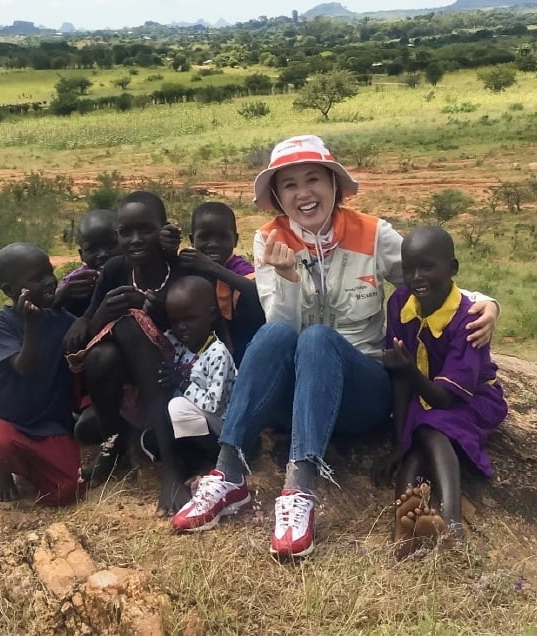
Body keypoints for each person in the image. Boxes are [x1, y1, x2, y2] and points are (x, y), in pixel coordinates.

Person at [171, 135, 499, 560]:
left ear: (334, 184)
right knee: (273, 335)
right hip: (296, 397)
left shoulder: (372, 233)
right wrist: (287, 278)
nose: (303, 193)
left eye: (313, 179)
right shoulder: (269, 241)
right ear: (276, 196)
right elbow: (280, 327)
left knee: (320, 337)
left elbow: (424, 278)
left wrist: (484, 301)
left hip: (360, 391)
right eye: (289, 185)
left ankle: (298, 491)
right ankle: (229, 474)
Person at [382, 226, 507, 560]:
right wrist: (397, 442)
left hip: (472, 399)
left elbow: (448, 399)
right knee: (413, 440)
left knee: (430, 426)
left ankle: (451, 522)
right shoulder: (398, 304)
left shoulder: (469, 319)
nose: (417, 277)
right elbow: (398, 375)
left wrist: (409, 372)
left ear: (452, 269)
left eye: (427, 267)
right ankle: (403, 524)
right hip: (424, 396)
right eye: (409, 269)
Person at [66, 191, 193, 514]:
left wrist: (155, 312)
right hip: (129, 379)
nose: (136, 240)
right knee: (104, 352)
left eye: (146, 230)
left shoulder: (179, 269)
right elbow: (89, 331)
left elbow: (196, 331)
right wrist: (103, 312)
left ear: (165, 230)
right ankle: (115, 445)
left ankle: (172, 468)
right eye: (125, 232)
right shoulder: (115, 271)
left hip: (175, 375)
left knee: (134, 324)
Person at [0, 242, 82, 506]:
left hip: (48, 422)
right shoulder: (1, 323)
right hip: (4, 418)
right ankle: (2, 473)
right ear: (11, 290)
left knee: (67, 488)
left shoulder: (63, 321)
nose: (50, 281)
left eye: (50, 272)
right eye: (37, 278)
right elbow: (24, 366)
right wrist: (33, 325)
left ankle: (27, 461)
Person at [140, 276, 238, 480]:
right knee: (151, 436)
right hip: (196, 420)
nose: (182, 327)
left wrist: (181, 382)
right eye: (176, 321)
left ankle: (210, 460)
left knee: (178, 406)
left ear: (210, 315)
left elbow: (214, 405)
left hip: (221, 426)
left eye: (189, 319)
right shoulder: (179, 343)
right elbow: (155, 339)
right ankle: (184, 456)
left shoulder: (217, 353)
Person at [177, 201, 264, 366]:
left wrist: (211, 267)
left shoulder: (238, 266)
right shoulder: (189, 265)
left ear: (236, 240)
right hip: (199, 344)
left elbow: (256, 290)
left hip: (241, 342)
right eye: (204, 237)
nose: (213, 244)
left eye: (223, 237)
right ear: (191, 240)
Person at [56, 209, 119, 319]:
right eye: (92, 249)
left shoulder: (136, 272)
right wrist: (62, 296)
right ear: (82, 255)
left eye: (110, 245)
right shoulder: (77, 282)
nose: (102, 254)